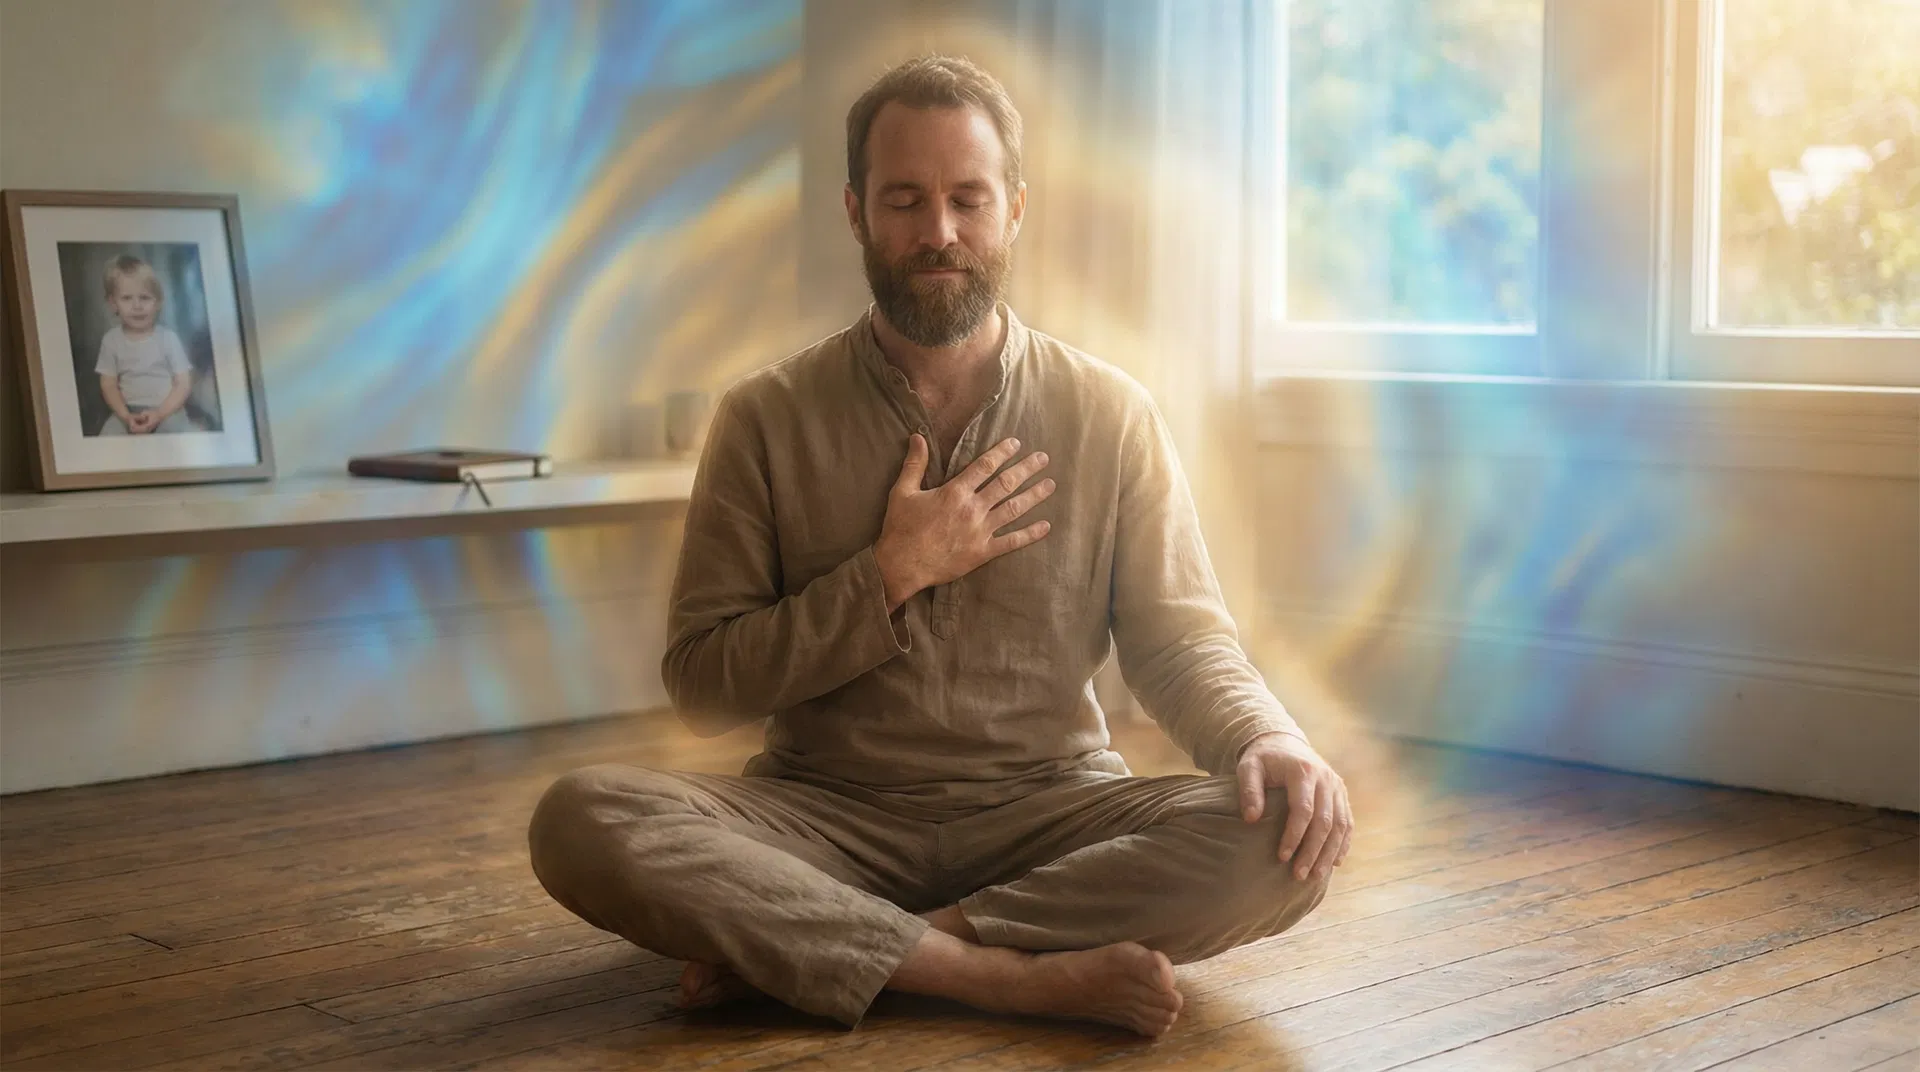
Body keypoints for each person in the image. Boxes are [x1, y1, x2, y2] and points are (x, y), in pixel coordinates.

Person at [528, 55, 1354, 1038]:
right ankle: (1000, 975)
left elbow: (1180, 643)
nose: (940, 234)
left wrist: (1271, 737)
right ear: (855, 212)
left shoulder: (1110, 413)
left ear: (1015, 209)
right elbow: (706, 684)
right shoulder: (765, 417)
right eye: (905, 200)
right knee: (582, 818)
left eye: (968, 198)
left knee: (1285, 837)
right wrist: (888, 574)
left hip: (1048, 815)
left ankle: (871, 950)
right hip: (827, 820)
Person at [93, 254, 194, 436]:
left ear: (158, 302)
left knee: (174, 437)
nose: (137, 306)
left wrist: (160, 414)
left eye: (145, 298)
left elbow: (183, 383)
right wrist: (125, 416)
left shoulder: (168, 338)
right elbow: (108, 384)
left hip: (168, 410)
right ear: (113, 303)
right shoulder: (111, 340)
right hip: (127, 411)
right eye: (127, 298)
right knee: (108, 437)